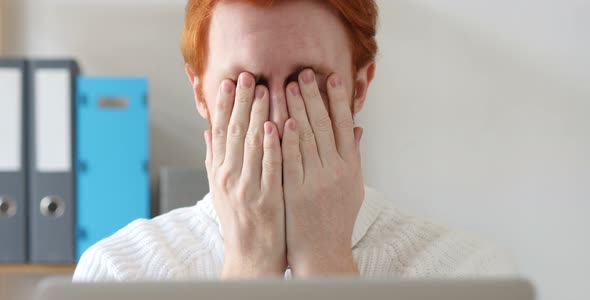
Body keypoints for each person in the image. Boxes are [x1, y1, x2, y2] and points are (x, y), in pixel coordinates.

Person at [73, 0, 515, 281]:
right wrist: (250, 261)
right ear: (200, 93)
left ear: (359, 87)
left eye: (310, 83)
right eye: (249, 84)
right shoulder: (119, 275)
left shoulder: (466, 275)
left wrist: (326, 262)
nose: (281, 119)